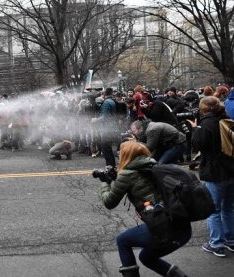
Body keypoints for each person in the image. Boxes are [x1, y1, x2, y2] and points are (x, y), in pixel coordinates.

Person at [100, 141, 190, 277]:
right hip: (183, 229)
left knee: (122, 240)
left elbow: (109, 202)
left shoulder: (127, 174)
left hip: (165, 230)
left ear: (126, 155)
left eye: (120, 153)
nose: (118, 155)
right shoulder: (154, 166)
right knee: (146, 258)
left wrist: (105, 183)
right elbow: (140, 180)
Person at [190, 96, 234, 257]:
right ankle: (231, 240)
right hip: (231, 169)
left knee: (213, 209)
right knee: (229, 208)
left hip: (215, 171)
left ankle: (216, 243)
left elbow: (197, 145)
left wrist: (195, 129)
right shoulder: (227, 120)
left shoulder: (207, 124)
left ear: (204, 109)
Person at [92, 87, 118, 167]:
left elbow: (105, 117)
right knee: (108, 148)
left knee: (105, 148)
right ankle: (112, 166)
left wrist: (95, 120)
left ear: (104, 94)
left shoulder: (106, 102)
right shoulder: (112, 101)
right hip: (112, 127)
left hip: (108, 129)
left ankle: (110, 166)